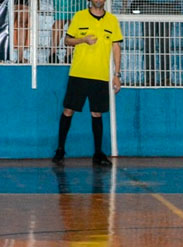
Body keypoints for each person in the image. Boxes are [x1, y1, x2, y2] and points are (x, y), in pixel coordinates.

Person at [51, 0, 123, 167]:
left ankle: (98, 153)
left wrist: (117, 74)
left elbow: (116, 47)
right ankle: (60, 149)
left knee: (97, 113)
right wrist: (83, 40)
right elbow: (67, 41)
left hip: (100, 76)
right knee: (68, 110)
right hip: (79, 73)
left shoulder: (112, 20)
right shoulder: (79, 16)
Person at [130, 0, 179, 86]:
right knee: (150, 46)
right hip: (148, 6)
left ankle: (165, 78)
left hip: (166, 7)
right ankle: (150, 79)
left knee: (164, 46)